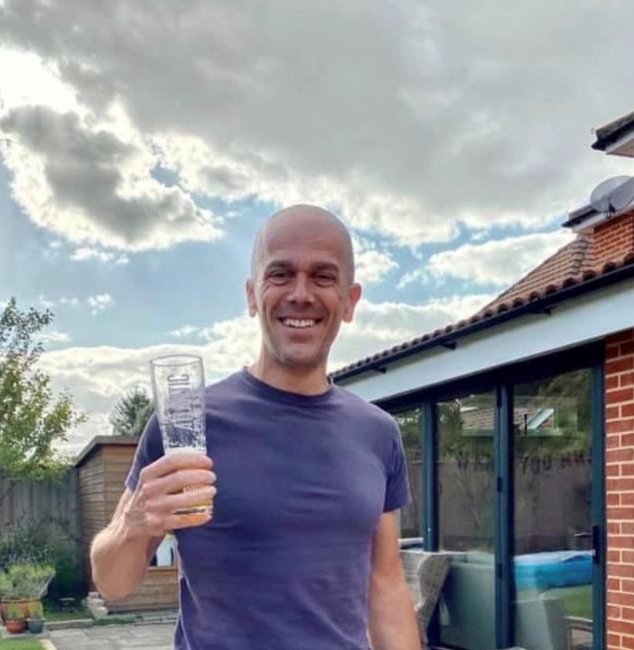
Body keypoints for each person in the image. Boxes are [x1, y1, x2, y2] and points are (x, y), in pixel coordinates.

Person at [90, 205, 420, 650]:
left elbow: (386, 586)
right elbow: (113, 583)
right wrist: (133, 524)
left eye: (323, 277)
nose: (300, 294)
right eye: (280, 274)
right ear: (251, 295)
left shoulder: (378, 433)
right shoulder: (187, 425)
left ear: (349, 301)